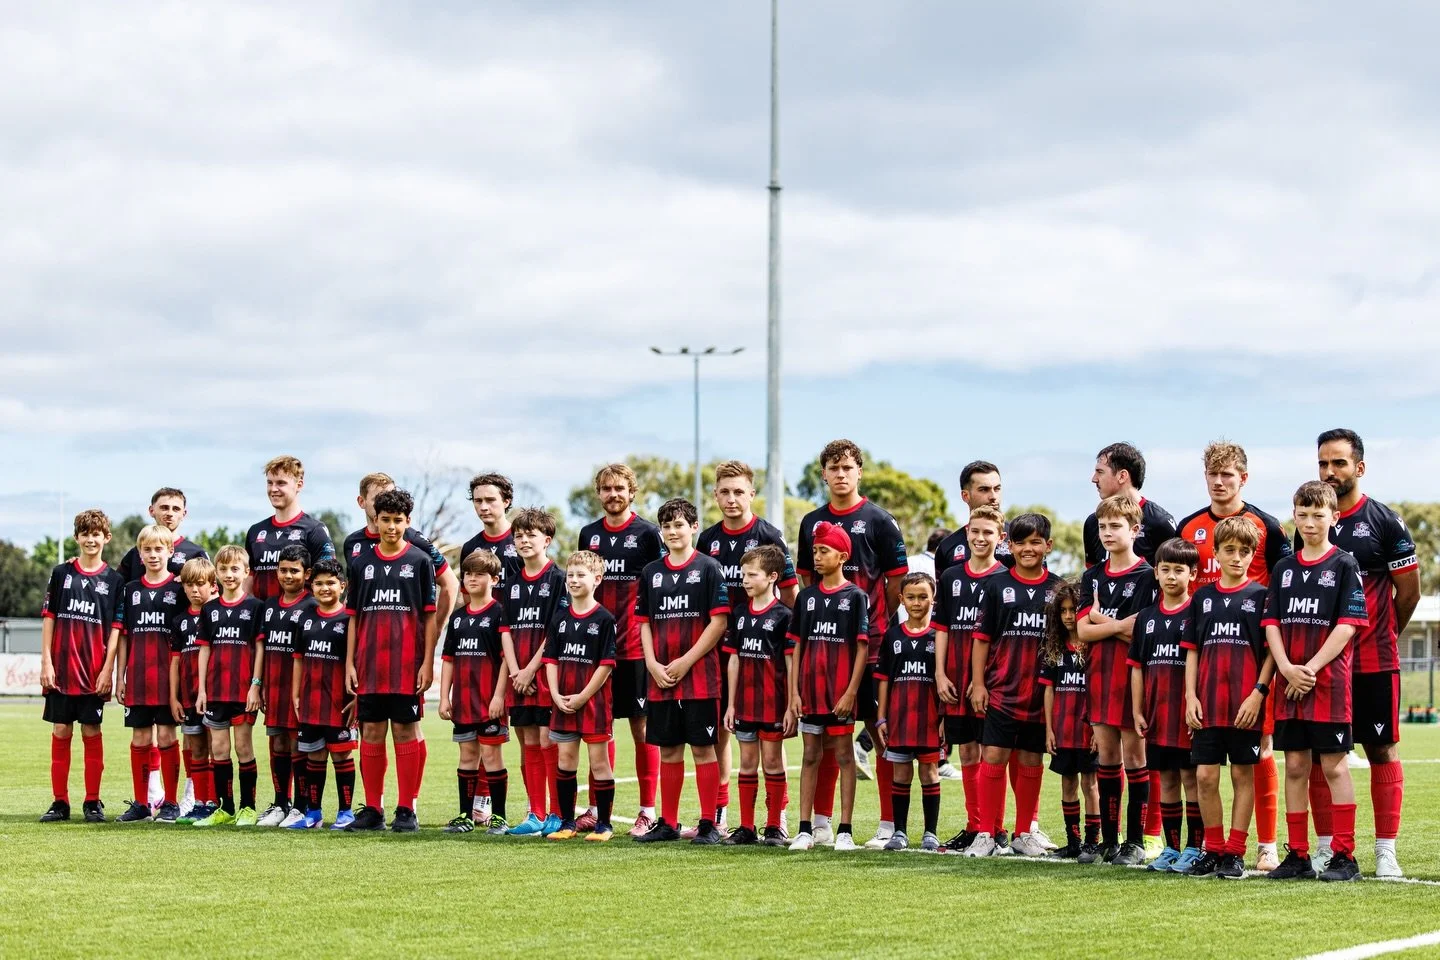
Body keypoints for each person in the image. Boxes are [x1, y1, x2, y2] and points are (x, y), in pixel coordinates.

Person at [1175, 440, 1291, 870]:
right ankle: (1210, 846)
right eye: (1213, 474)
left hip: (1253, 660)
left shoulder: (1268, 526)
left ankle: (1264, 844)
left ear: (1244, 478)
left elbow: (1284, 581)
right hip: (1205, 659)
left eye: (1228, 475)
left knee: (1260, 754)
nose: (1220, 482)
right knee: (1204, 769)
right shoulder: (1188, 527)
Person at [1311, 428, 1420, 878]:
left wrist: (1380, 634)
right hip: (1325, 666)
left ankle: (1385, 851)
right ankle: (1324, 849)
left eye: (1338, 463)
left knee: (1380, 751)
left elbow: (1408, 594)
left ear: (1360, 467)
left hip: (1375, 662)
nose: (1330, 472)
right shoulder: (1311, 521)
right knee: (1322, 755)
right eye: (1323, 463)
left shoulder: (1385, 521)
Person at [795, 440, 908, 849]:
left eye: (847, 467)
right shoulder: (811, 523)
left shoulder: (881, 520)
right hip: (826, 655)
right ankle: (820, 824)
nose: (840, 474)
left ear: (859, 472)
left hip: (873, 647)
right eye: (832, 467)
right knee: (825, 736)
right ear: (823, 474)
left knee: (879, 734)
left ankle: (886, 826)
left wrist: (875, 623)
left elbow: (897, 582)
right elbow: (807, 580)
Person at [1264, 480, 1369, 882]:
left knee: (1335, 767)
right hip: (1289, 682)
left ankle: (1345, 856)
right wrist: (1287, 667)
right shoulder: (1283, 569)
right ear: (1294, 516)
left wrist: (1309, 669)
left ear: (1334, 517)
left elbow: (1347, 626)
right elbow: (1271, 622)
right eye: (1302, 514)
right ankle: (1299, 856)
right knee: (1294, 766)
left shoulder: (1344, 564)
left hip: (1327, 685)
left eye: (1318, 514)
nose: (1309, 522)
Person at [699, 459, 798, 833]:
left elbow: (789, 597)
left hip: (765, 656)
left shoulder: (769, 535)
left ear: (752, 494)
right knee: (724, 729)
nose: (731, 498)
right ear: (715, 495)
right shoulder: (708, 539)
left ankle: (779, 814)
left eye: (739, 491)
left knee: (771, 744)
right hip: (723, 650)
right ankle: (723, 811)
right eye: (724, 492)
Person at [964, 513, 1064, 859]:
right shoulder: (996, 586)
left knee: (1031, 761)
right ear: (1010, 545)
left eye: (1036, 542)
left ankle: (1024, 833)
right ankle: (987, 833)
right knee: (992, 756)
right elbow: (981, 639)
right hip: (1002, 690)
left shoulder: (1058, 589)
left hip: (1040, 693)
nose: (1028, 549)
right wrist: (978, 684)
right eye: (1021, 542)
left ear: (1048, 546)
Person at [633, 497, 730, 845]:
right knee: (669, 749)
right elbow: (643, 623)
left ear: (693, 528)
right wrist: (651, 663)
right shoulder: (651, 573)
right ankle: (669, 823)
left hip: (700, 677)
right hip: (660, 678)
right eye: (667, 526)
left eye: (680, 525)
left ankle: (708, 824)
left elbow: (718, 622)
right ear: (661, 532)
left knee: (704, 749)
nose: (673, 531)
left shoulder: (708, 568)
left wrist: (686, 661)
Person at [1181, 519, 1274, 878]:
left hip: (1244, 707)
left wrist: (1257, 694)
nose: (1237, 557)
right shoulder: (1202, 597)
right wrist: (1190, 696)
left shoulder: (1260, 596)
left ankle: (1235, 851)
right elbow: (1192, 651)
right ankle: (1213, 848)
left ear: (1252, 555)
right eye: (1230, 550)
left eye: (1245, 551)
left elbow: (1269, 653)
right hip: (1207, 704)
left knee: (1241, 776)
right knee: (1205, 776)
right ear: (1216, 553)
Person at [343, 488, 438, 833]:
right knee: (370, 730)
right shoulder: (361, 563)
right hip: (368, 665)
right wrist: (350, 663)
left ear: (408, 522)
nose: (392, 526)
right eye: (386, 520)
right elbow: (352, 615)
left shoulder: (419, 562)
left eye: (399, 520)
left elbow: (429, 616)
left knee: (404, 730)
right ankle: (372, 809)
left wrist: (427, 662)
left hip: (406, 666)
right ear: (376, 520)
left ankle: (406, 809)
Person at [579, 463, 665, 836]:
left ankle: (648, 810)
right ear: (599, 494)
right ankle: (598, 809)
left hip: (633, 648)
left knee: (642, 728)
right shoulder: (589, 534)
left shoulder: (647, 533)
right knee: (598, 730)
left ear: (632, 492)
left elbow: (661, 585)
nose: (613, 494)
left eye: (620, 488)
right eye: (606, 488)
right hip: (597, 649)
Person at [1077, 494, 1158, 864]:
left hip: (1133, 679)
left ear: (1135, 529)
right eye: (1103, 527)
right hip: (1099, 677)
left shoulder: (1148, 575)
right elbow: (1080, 632)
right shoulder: (1091, 576)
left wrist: (1099, 621)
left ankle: (1136, 842)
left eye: (1116, 526)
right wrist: (1111, 625)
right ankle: (1110, 840)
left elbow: (1140, 633)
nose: (1107, 533)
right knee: (1107, 758)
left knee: (1135, 757)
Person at [786, 522, 870, 851]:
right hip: (810, 693)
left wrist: (850, 692)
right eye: (815, 551)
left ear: (842, 556)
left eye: (824, 551)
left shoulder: (855, 596)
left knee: (845, 757)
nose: (817, 557)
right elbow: (796, 647)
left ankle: (845, 830)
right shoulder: (806, 598)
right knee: (809, 756)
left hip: (839, 695)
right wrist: (794, 693)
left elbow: (861, 648)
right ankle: (805, 828)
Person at [38, 509, 124, 824]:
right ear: (77, 538)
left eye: (96, 534)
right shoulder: (61, 573)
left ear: (106, 538)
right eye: (85, 534)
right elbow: (49, 619)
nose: (91, 539)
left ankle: (92, 802)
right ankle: (60, 802)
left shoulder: (114, 580)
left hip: (93, 673)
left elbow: (116, 629)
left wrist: (108, 670)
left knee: (92, 730)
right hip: (61, 671)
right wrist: (46, 661)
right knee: (61, 730)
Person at [934, 505, 1009, 850]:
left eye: (988, 533)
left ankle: (996, 827)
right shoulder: (950, 577)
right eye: (975, 532)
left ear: (1000, 538)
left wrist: (984, 677)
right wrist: (939, 673)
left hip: (990, 681)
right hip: (954, 678)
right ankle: (974, 824)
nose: (981, 538)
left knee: (992, 754)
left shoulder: (1005, 578)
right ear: (967, 533)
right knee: (966, 753)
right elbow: (943, 628)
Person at [1127, 538, 1202, 872]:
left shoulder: (1198, 611)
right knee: (1167, 780)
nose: (1172, 577)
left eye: (1179, 570)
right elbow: (1137, 667)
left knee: (1192, 780)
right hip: (1157, 714)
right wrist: (1138, 710)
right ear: (1155, 572)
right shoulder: (1146, 617)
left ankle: (1194, 848)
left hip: (1186, 716)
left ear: (1193, 573)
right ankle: (1171, 849)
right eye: (1166, 569)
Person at [500, 508, 569, 836]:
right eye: (519, 536)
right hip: (520, 678)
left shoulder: (558, 580)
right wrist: (516, 672)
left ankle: (556, 813)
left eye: (531, 535)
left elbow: (556, 631)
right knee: (527, 741)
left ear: (547, 540)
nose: (524, 540)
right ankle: (535, 813)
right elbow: (506, 631)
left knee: (546, 740)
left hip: (544, 675)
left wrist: (530, 670)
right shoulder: (511, 584)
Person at [721, 545, 796, 846]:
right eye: (742, 575)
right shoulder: (739, 615)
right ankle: (746, 826)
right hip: (745, 705)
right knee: (747, 763)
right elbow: (735, 659)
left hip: (774, 704)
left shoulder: (784, 616)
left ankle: (776, 825)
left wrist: (792, 705)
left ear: (773, 577)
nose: (745, 580)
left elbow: (790, 664)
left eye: (752, 575)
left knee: (773, 763)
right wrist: (730, 704)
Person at [543, 551, 619, 842]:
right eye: (570, 575)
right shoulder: (560, 618)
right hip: (563, 702)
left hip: (594, 704)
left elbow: (606, 665)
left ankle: (604, 825)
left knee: (599, 762)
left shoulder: (604, 619)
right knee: (566, 760)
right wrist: (556, 694)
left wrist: (583, 696)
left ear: (597, 579)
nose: (573, 580)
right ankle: (566, 822)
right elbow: (550, 659)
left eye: (580, 575)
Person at [112, 525, 186, 823]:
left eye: (159, 549)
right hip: (139, 677)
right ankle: (141, 804)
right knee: (141, 738)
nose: (153, 555)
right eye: (147, 550)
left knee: (167, 736)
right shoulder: (130, 590)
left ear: (170, 551)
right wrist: (121, 677)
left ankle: (170, 802)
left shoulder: (179, 590)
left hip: (168, 679)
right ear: (139, 554)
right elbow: (125, 636)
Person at [439, 550, 512, 835]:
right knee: (467, 757)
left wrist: (498, 697)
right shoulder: (457, 619)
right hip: (464, 703)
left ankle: (500, 817)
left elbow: (507, 659)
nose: (472, 578)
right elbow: (448, 660)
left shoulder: (500, 613)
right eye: (468, 573)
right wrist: (445, 697)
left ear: (494, 579)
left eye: (479, 574)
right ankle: (465, 816)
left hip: (489, 702)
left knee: (492, 758)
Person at [193, 545, 267, 827]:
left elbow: (259, 648)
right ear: (216, 574)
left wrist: (255, 685)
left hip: (242, 690)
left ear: (246, 572)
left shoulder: (255, 607)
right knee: (220, 750)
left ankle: (248, 808)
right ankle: (225, 808)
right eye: (223, 569)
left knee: (243, 747)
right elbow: (204, 650)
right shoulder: (210, 609)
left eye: (235, 569)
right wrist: (201, 689)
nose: (228, 574)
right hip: (216, 691)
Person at [874, 572, 943, 852]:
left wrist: (944, 718)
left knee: (929, 772)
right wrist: (881, 717)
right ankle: (899, 832)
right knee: (900, 774)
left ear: (933, 599)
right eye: (911, 597)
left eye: (923, 597)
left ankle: (930, 833)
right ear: (901, 600)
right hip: (899, 718)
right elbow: (883, 680)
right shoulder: (893, 635)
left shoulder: (939, 636)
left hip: (929, 718)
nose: (917, 603)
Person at [290, 558, 358, 830]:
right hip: (310, 701)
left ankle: (346, 812)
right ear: (311, 586)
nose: (324, 588)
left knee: (342, 756)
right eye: (318, 583)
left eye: (330, 583)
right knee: (314, 757)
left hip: (339, 703)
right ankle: (313, 813)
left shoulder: (349, 620)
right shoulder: (305, 619)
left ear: (342, 586)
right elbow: (297, 658)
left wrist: (356, 695)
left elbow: (357, 661)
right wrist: (296, 694)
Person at [344, 472, 458, 626]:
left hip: (405, 639)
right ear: (361, 501)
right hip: (367, 640)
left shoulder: (415, 540)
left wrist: (436, 630)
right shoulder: (352, 542)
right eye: (379, 498)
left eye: (391, 495)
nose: (387, 502)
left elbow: (450, 583)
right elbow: (352, 594)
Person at [1040, 580, 1100, 860]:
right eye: (1062, 610)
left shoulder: (1094, 647)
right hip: (1063, 729)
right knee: (1067, 783)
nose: (1067, 615)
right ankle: (1073, 841)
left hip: (1088, 729)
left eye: (1073, 609)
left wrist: (1098, 729)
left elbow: (1099, 689)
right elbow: (1049, 690)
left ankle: (1092, 841)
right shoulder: (1054, 647)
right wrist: (1050, 729)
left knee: (1091, 784)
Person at [256, 544, 312, 828]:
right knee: (277, 741)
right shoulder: (268, 606)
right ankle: (281, 801)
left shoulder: (312, 605)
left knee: (296, 743)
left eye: (294, 570)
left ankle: (301, 806)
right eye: (283, 570)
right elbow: (263, 647)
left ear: (307, 573)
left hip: (299, 689)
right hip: (274, 685)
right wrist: (259, 683)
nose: (287, 576)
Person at [245, 455, 335, 601]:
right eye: (269, 483)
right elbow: (248, 582)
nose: (273, 489)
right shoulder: (255, 531)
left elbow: (328, 581)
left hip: (301, 620)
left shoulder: (314, 530)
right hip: (262, 620)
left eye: (281, 483)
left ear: (299, 485)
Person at [171, 558, 218, 825]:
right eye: (189, 585)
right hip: (188, 696)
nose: (194, 590)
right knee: (197, 748)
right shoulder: (179, 621)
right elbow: (175, 661)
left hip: (213, 694)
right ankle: (199, 802)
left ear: (213, 586)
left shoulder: (217, 614)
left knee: (216, 748)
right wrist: (173, 697)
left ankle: (215, 802)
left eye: (200, 584)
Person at [1083, 443, 1176, 567]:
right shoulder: (1092, 522)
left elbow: (1179, 573)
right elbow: (1091, 577)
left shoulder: (1160, 522)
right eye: (1103, 527)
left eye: (1100, 472)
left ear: (1122, 476)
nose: (1094, 479)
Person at [934, 460, 1013, 579]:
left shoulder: (1021, 537)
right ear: (966, 496)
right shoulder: (947, 547)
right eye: (984, 489)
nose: (993, 496)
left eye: (997, 489)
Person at [117, 487, 209, 583]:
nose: (170, 513)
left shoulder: (196, 554)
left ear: (183, 514)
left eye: (176, 509)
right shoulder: (135, 553)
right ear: (152, 511)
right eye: (164, 508)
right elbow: (115, 587)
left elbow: (211, 590)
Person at [460, 471, 524, 584]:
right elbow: (469, 596)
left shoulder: (524, 542)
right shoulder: (469, 548)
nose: (483, 507)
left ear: (506, 502)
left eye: (490, 500)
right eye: (478, 501)